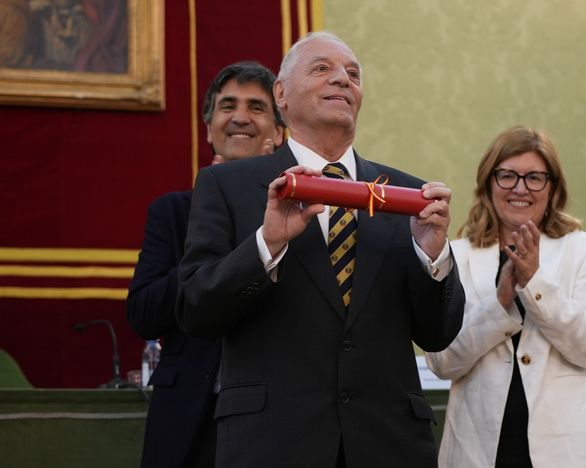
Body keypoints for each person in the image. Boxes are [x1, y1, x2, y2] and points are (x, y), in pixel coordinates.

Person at [176, 32, 465, 468]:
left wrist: (432, 257)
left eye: (353, 74)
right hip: (272, 443)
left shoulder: (407, 194)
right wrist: (267, 243)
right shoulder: (227, 186)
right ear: (281, 95)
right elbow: (195, 309)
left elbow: (438, 333)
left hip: (389, 445)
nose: (343, 80)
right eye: (321, 69)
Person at [426, 125, 586, 468]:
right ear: (488, 183)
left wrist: (534, 282)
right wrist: (498, 303)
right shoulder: (457, 255)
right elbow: (442, 363)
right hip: (477, 452)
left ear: (552, 187)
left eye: (534, 178)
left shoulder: (585, 250)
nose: (520, 188)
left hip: (569, 452)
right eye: (507, 176)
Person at [127, 61, 285, 468]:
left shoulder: (299, 215)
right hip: (187, 419)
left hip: (275, 420)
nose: (239, 117)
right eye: (227, 105)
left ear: (280, 133)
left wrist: (254, 210)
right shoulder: (173, 212)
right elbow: (144, 315)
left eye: (256, 107)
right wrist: (209, 229)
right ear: (209, 127)